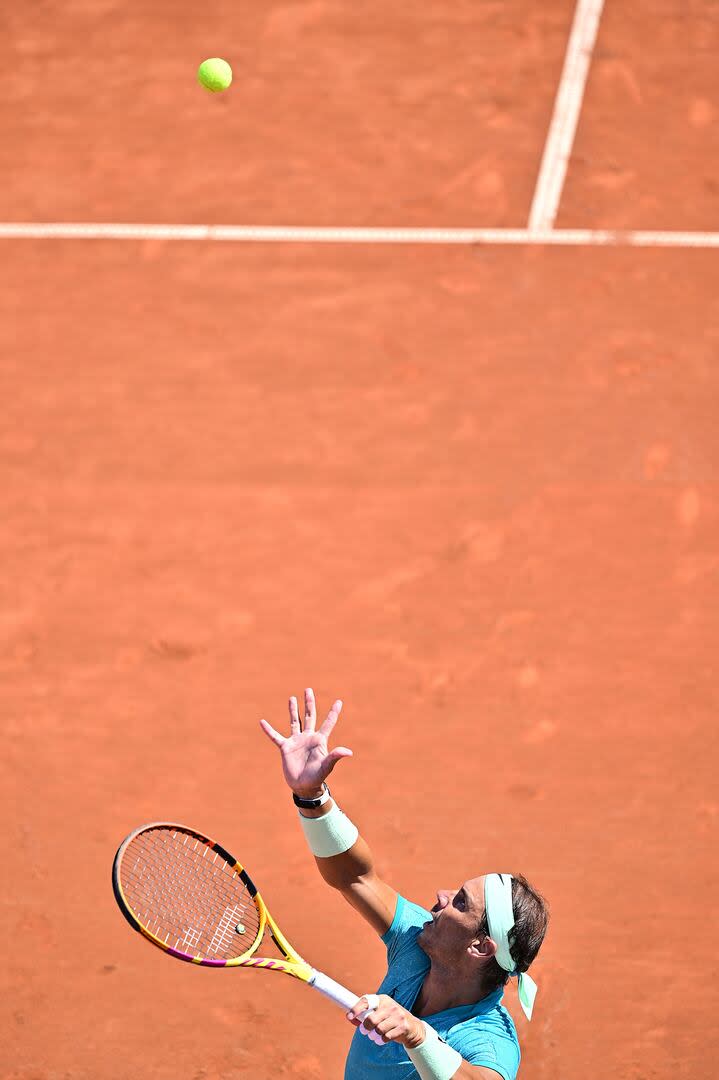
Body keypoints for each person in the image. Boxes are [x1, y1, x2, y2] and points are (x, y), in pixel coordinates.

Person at [260, 689, 549, 1080]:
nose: (441, 897)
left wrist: (417, 1034)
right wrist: (312, 797)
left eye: (460, 903)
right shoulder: (418, 941)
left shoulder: (488, 1037)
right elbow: (354, 876)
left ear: (480, 946)